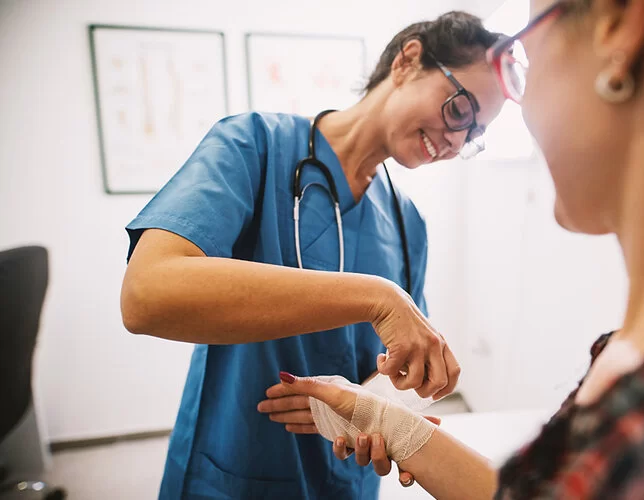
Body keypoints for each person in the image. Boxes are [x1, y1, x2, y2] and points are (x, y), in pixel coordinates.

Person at [261, 0, 644, 498]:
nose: (456, 142)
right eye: (463, 108)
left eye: (526, 56)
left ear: (619, 22)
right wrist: (391, 424)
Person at [120, 11, 506, 500]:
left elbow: (394, 374)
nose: (456, 140)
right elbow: (145, 295)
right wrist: (376, 296)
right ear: (408, 60)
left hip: (348, 477)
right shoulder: (253, 145)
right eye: (459, 111)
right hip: (236, 468)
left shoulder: (408, 223)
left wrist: (374, 408)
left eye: (473, 136)